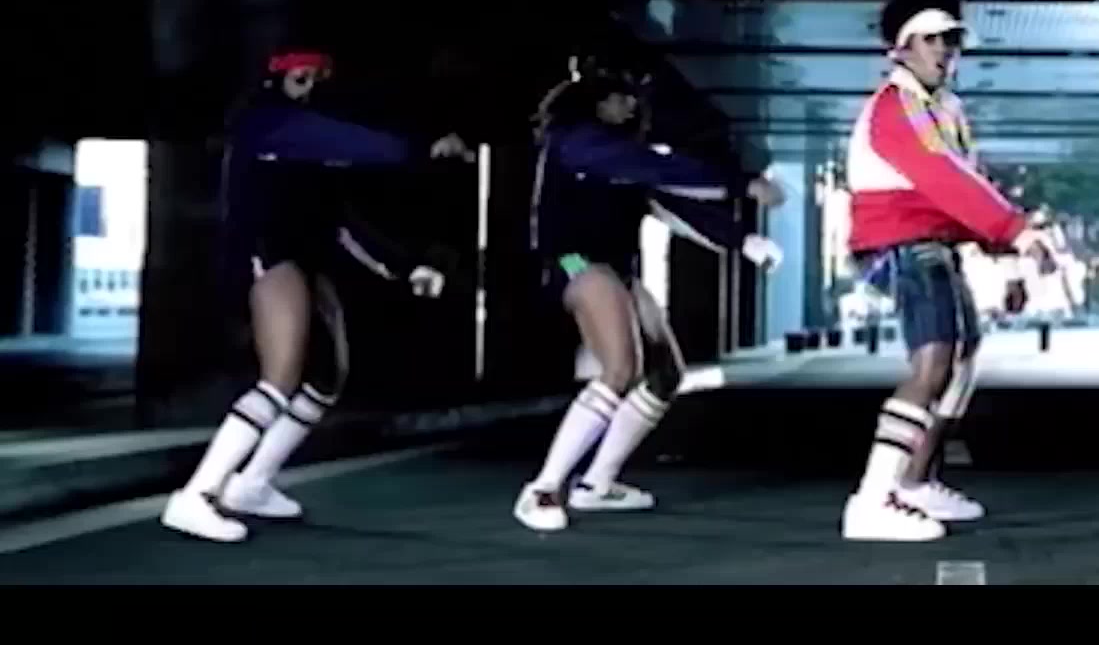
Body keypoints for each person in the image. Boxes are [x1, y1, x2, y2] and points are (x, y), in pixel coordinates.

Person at [161, 49, 469, 543]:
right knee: (280, 379)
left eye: (317, 79)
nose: (309, 88)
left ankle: (252, 484)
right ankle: (196, 495)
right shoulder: (268, 122)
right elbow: (347, 141)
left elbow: (341, 223)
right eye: (300, 78)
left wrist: (404, 266)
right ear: (276, 80)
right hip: (265, 254)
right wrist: (422, 147)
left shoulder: (312, 151)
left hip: (305, 261)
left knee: (326, 379)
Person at [514, 58, 785, 532]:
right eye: (622, 99)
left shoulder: (622, 155)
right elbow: (654, 169)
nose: (631, 107)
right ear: (598, 103)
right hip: (573, 261)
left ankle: (597, 483)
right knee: (620, 369)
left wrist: (743, 241)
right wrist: (739, 182)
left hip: (615, 268)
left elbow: (669, 199)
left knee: (664, 375)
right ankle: (543, 488)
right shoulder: (577, 142)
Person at [840, 0, 1058, 542]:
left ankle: (915, 482)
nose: (944, 50)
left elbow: (965, 188)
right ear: (901, 48)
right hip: (900, 241)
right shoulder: (897, 105)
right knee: (934, 361)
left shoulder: (944, 109)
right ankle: (872, 501)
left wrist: (1009, 257)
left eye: (951, 40)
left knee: (961, 357)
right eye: (931, 39)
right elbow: (940, 177)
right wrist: (1015, 232)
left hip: (930, 241)